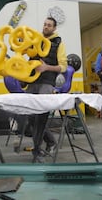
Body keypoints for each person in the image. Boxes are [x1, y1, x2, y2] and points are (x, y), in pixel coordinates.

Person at [26, 17, 68, 163]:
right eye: (44, 24)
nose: (46, 27)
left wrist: (46, 67)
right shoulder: (36, 40)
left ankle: (37, 151)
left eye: (49, 25)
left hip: (47, 82)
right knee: (30, 115)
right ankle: (50, 141)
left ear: (54, 28)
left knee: (41, 115)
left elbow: (63, 66)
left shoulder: (59, 43)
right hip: (33, 81)